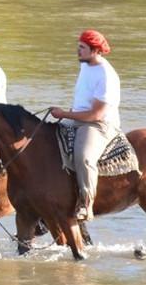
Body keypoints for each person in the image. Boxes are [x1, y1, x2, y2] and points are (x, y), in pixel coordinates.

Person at [48, 29, 120, 221]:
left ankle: (86, 204)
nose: (78, 50)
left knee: (84, 157)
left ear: (95, 50)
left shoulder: (106, 75)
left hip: (99, 125)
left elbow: (96, 114)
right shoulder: (86, 65)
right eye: (78, 46)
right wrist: (66, 115)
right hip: (78, 117)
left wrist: (64, 114)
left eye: (82, 47)